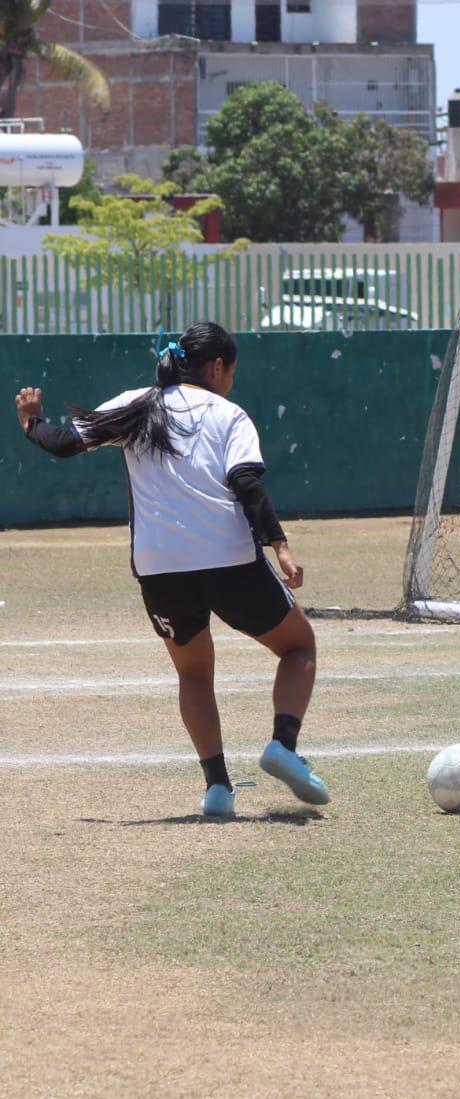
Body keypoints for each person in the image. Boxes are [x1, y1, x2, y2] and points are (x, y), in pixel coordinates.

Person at [13, 322, 326, 818]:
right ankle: (283, 745)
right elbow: (247, 483)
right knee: (298, 645)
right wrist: (280, 547)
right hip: (229, 560)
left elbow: (63, 443)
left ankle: (218, 788)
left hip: (160, 569)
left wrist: (32, 426)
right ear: (218, 367)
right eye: (232, 371)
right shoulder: (230, 414)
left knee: (194, 673)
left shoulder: (137, 403)